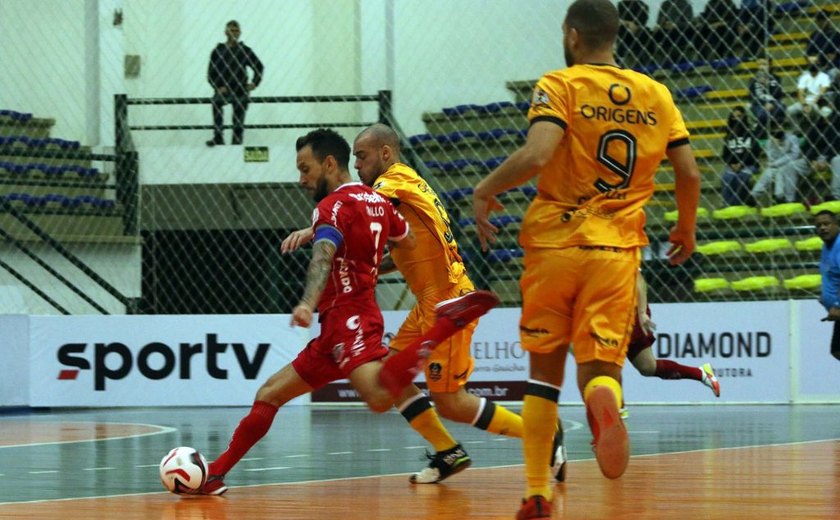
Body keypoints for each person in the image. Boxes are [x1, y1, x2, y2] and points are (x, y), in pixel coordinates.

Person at [471, 1, 701, 518]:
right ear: (614, 35)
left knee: (541, 377)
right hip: (615, 249)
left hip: (554, 242)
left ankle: (536, 492)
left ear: (573, 36)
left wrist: (484, 191)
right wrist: (685, 226)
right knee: (600, 369)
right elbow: (688, 172)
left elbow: (536, 155)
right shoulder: (656, 94)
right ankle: (601, 396)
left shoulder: (560, 84)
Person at [195, 129, 498, 495]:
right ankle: (215, 474)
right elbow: (408, 240)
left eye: (305, 169)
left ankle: (441, 329)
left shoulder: (332, 206)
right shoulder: (377, 202)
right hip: (340, 323)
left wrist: (307, 302)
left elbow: (323, 255)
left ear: (328, 164)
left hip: (349, 317)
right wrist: (365, 261)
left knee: (380, 395)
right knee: (270, 392)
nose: (302, 179)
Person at [284, 123, 566, 484]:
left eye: (363, 157)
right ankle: (448, 452)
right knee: (392, 378)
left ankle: (542, 433)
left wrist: (315, 228)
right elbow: (400, 249)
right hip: (427, 303)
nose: (357, 165)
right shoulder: (408, 186)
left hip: (448, 301)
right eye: (354, 158)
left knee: (452, 402)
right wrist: (369, 266)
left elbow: (360, 203)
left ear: (386, 154)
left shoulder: (393, 182)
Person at [625, 271, 720, 401]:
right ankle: (701, 373)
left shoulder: (617, 253)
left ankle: (617, 408)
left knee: (611, 363)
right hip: (603, 313)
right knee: (647, 367)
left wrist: (641, 312)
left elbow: (638, 279)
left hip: (628, 312)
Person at [206, 20, 264, 147]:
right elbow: (210, 73)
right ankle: (218, 137)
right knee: (216, 102)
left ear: (240, 33)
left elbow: (259, 67)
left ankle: (236, 144)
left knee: (238, 120)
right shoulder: (218, 51)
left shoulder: (244, 50)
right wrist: (217, 87)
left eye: (236, 30)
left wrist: (254, 83)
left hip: (240, 89)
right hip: (224, 89)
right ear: (226, 32)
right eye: (232, 30)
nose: (234, 33)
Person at [750, 122, 810, 204]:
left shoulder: (792, 138)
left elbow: (795, 155)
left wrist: (780, 147)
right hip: (775, 166)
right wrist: (775, 147)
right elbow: (771, 158)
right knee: (767, 173)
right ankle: (753, 195)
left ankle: (780, 197)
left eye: (778, 128)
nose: (776, 131)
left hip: (790, 165)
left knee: (780, 172)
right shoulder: (769, 142)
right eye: (774, 130)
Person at [720, 106, 761, 206]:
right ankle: (729, 205)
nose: (736, 119)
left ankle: (742, 204)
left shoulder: (751, 134)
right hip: (732, 166)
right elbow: (725, 155)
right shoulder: (729, 136)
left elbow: (755, 152)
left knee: (742, 177)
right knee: (726, 177)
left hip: (749, 165)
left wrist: (741, 164)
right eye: (734, 117)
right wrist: (732, 164)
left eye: (739, 116)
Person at [815, 209, 840, 361]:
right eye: (818, 226)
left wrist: (837, 305)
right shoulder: (827, 247)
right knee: (837, 350)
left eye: (826, 224)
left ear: (836, 224)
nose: (822, 228)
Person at [748, 57, 786, 132]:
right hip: (759, 104)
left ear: (770, 65)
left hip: (774, 103)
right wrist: (764, 103)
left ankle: (775, 128)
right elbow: (752, 96)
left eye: (764, 64)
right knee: (762, 114)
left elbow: (778, 93)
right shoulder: (753, 80)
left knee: (782, 107)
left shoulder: (776, 78)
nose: (761, 67)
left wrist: (766, 84)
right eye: (759, 64)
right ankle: (762, 131)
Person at [651, 0, 694, 64]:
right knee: (653, 34)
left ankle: (674, 60)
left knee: (674, 35)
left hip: (681, 30)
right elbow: (659, 20)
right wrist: (663, 23)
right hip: (666, 28)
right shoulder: (665, 4)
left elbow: (688, 23)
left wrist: (675, 25)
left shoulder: (686, 5)